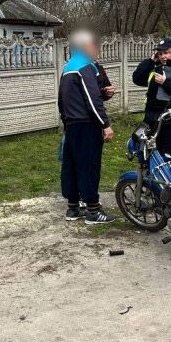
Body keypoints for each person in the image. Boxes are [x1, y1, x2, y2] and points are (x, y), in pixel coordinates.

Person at [58, 30, 116, 224]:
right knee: (89, 167)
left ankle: (73, 208)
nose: (97, 50)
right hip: (87, 126)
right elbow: (92, 100)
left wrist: (67, 123)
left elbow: (62, 101)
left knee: (72, 166)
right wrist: (105, 124)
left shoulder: (68, 67)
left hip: (73, 126)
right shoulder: (85, 67)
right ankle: (93, 210)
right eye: (94, 46)